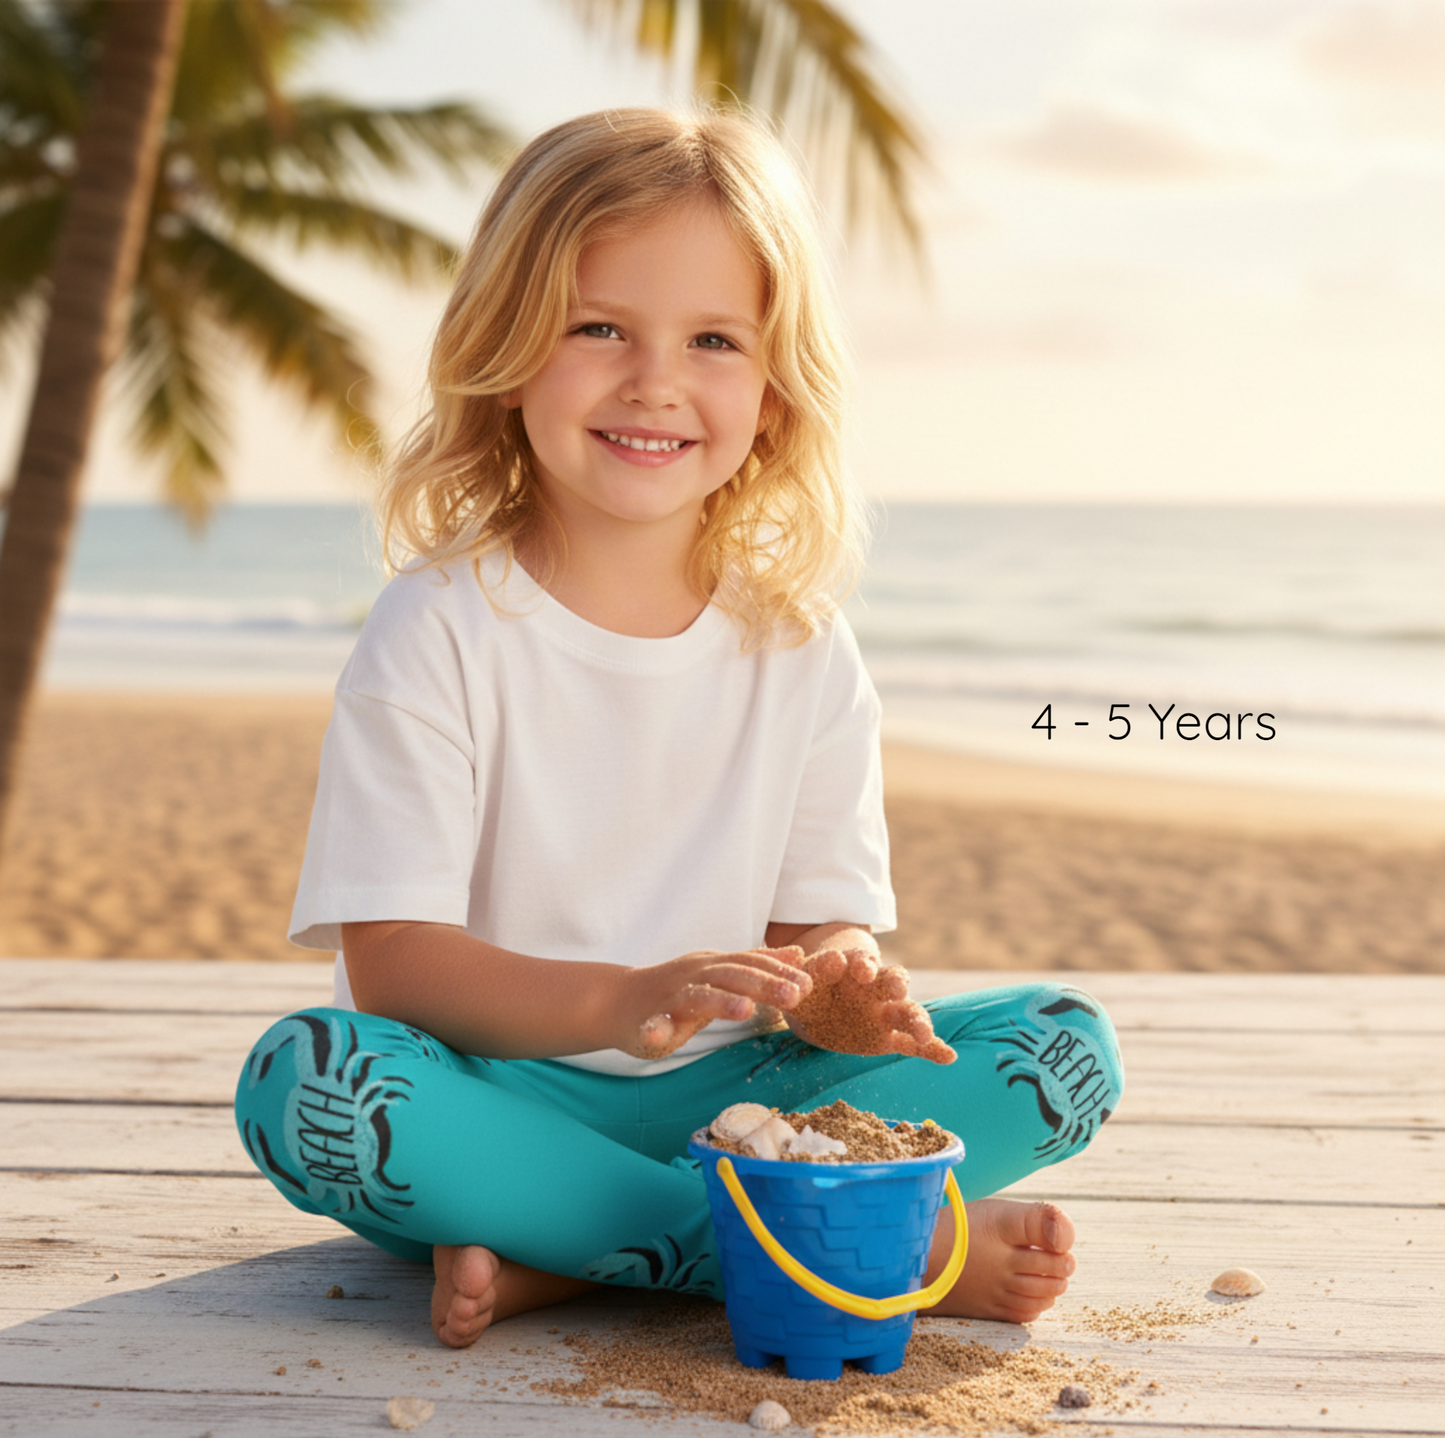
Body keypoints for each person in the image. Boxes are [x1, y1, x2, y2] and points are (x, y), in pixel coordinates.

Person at [234, 107, 1124, 1351]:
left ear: (769, 394)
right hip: (498, 1097)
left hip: (737, 1097)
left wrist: (840, 990)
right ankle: (841, 1246)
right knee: (314, 1082)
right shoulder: (435, 627)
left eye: (713, 339)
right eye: (598, 326)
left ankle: (587, 1253)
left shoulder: (800, 644)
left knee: (1061, 1048)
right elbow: (395, 967)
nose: (654, 379)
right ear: (506, 350)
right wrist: (626, 998)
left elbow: (810, 933)